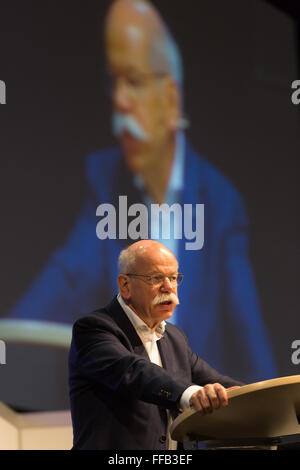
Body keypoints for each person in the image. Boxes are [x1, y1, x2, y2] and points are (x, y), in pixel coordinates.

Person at [7, 0, 277, 382]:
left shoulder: (220, 202)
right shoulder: (104, 178)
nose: (119, 100)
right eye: (113, 81)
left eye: (133, 80)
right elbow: (65, 278)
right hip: (129, 405)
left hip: (196, 415)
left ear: (169, 98)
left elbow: (247, 335)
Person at [69, 240, 243, 450]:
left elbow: (215, 381)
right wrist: (191, 394)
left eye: (173, 278)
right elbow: (134, 372)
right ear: (125, 285)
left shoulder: (174, 337)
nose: (168, 287)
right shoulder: (94, 329)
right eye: (156, 278)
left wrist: (258, 399)